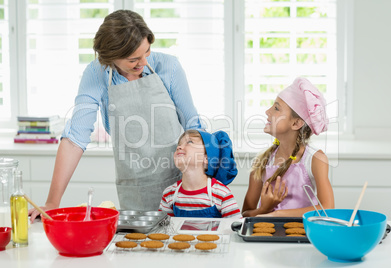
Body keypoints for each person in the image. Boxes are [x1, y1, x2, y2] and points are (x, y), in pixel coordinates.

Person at [29, 10, 204, 222]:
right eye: (133, 59)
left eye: (147, 52)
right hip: (135, 188)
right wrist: (52, 203)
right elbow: (75, 137)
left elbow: (193, 126)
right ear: (111, 58)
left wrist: (205, 183)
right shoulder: (96, 74)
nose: (143, 62)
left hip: (182, 186)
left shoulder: (169, 67)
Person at [242, 77, 334, 217]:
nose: (267, 111)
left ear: (296, 123)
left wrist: (277, 214)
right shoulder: (262, 161)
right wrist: (264, 209)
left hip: (302, 236)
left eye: (276, 108)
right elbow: (246, 214)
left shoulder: (316, 159)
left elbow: (327, 208)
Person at [159, 130, 241, 218]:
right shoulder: (169, 194)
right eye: (179, 145)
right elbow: (162, 228)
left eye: (189, 142)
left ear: (207, 158)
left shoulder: (221, 194)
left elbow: (236, 227)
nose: (179, 147)